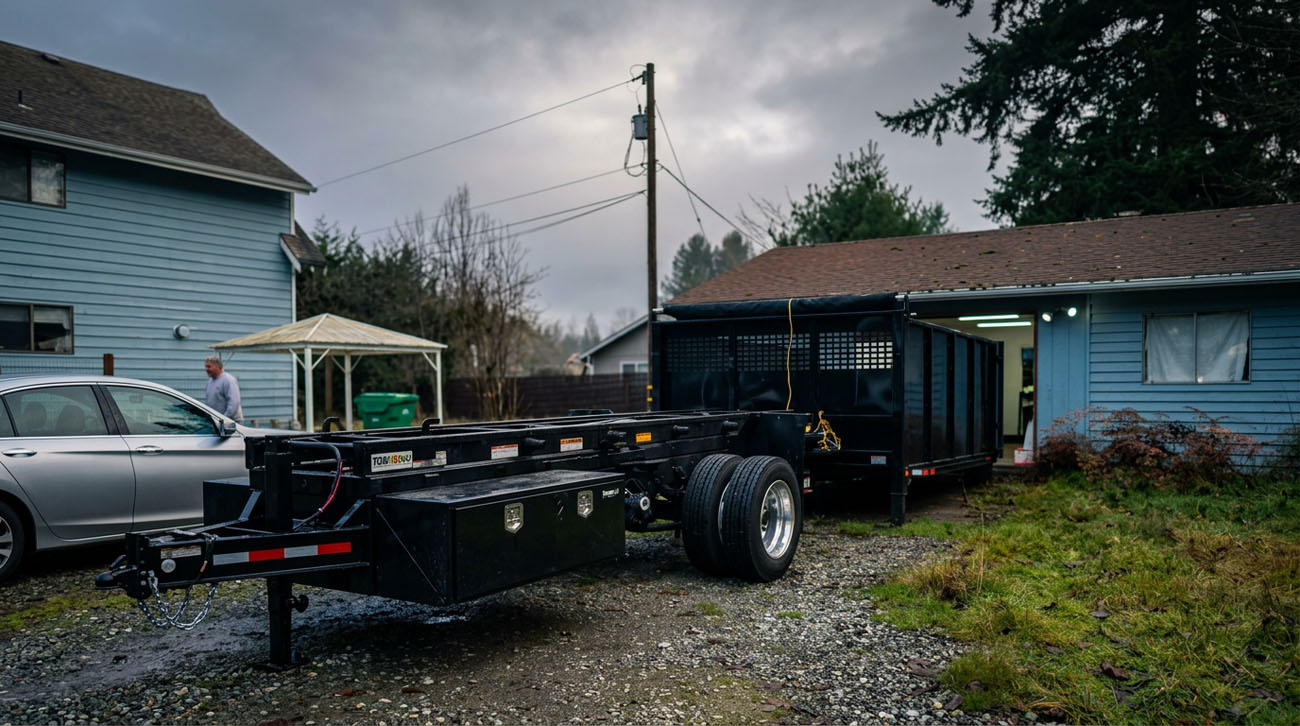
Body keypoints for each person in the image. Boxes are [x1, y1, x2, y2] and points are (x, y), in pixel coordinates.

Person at [204, 354, 243, 423]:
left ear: (218, 366)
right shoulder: (210, 381)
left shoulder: (228, 380)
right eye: (206, 367)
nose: (206, 369)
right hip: (217, 422)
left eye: (209, 367)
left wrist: (223, 420)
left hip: (230, 423)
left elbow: (234, 403)